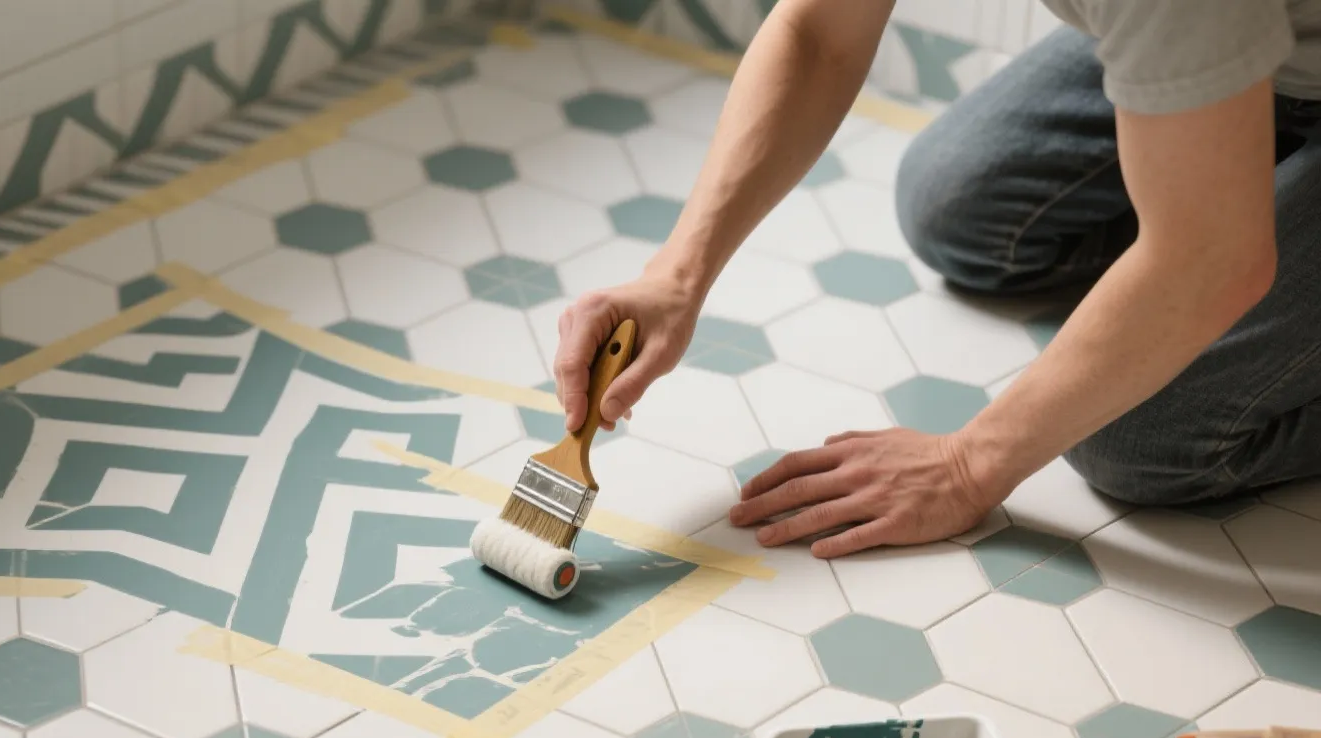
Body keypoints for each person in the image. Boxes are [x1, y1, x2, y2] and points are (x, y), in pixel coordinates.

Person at [554, 0, 1321, 558]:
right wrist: (677, 274)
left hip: (1227, 26)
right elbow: (819, 34)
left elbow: (1214, 259)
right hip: (1261, 35)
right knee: (954, 203)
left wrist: (970, 462)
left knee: (1135, 436)